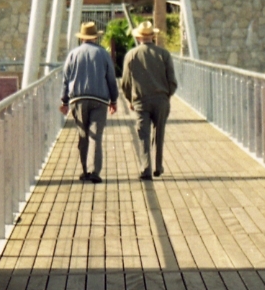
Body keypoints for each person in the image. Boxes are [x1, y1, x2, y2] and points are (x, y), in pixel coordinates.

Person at [59, 21, 118, 183]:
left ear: (82, 38)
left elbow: (66, 79)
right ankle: (94, 171)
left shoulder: (73, 54)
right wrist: (114, 100)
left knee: (83, 135)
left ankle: (85, 170)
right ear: (95, 37)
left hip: (78, 100)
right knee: (96, 137)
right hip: (100, 100)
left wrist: (64, 101)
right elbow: (111, 79)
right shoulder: (104, 54)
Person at [121, 20, 177, 180]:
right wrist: (167, 95)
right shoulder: (164, 54)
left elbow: (125, 82)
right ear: (153, 36)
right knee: (159, 133)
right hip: (161, 99)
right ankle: (158, 166)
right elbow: (172, 80)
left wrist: (130, 99)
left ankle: (145, 168)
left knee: (143, 134)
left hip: (141, 100)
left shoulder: (131, 55)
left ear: (139, 38)